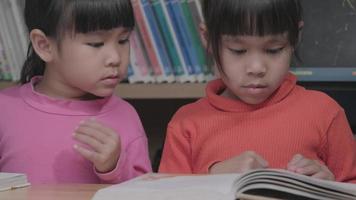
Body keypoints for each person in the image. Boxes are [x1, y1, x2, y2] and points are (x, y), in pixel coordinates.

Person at [159, 0, 356, 183]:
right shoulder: (185, 124)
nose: (256, 68)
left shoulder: (325, 112)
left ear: (296, 37)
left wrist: (331, 189)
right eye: (238, 50)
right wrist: (211, 178)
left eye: (274, 49)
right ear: (208, 39)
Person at [0, 0, 152, 184]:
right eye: (96, 44)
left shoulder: (125, 116)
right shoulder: (5, 109)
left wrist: (114, 168)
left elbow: (144, 191)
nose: (115, 57)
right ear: (44, 45)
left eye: (123, 40)